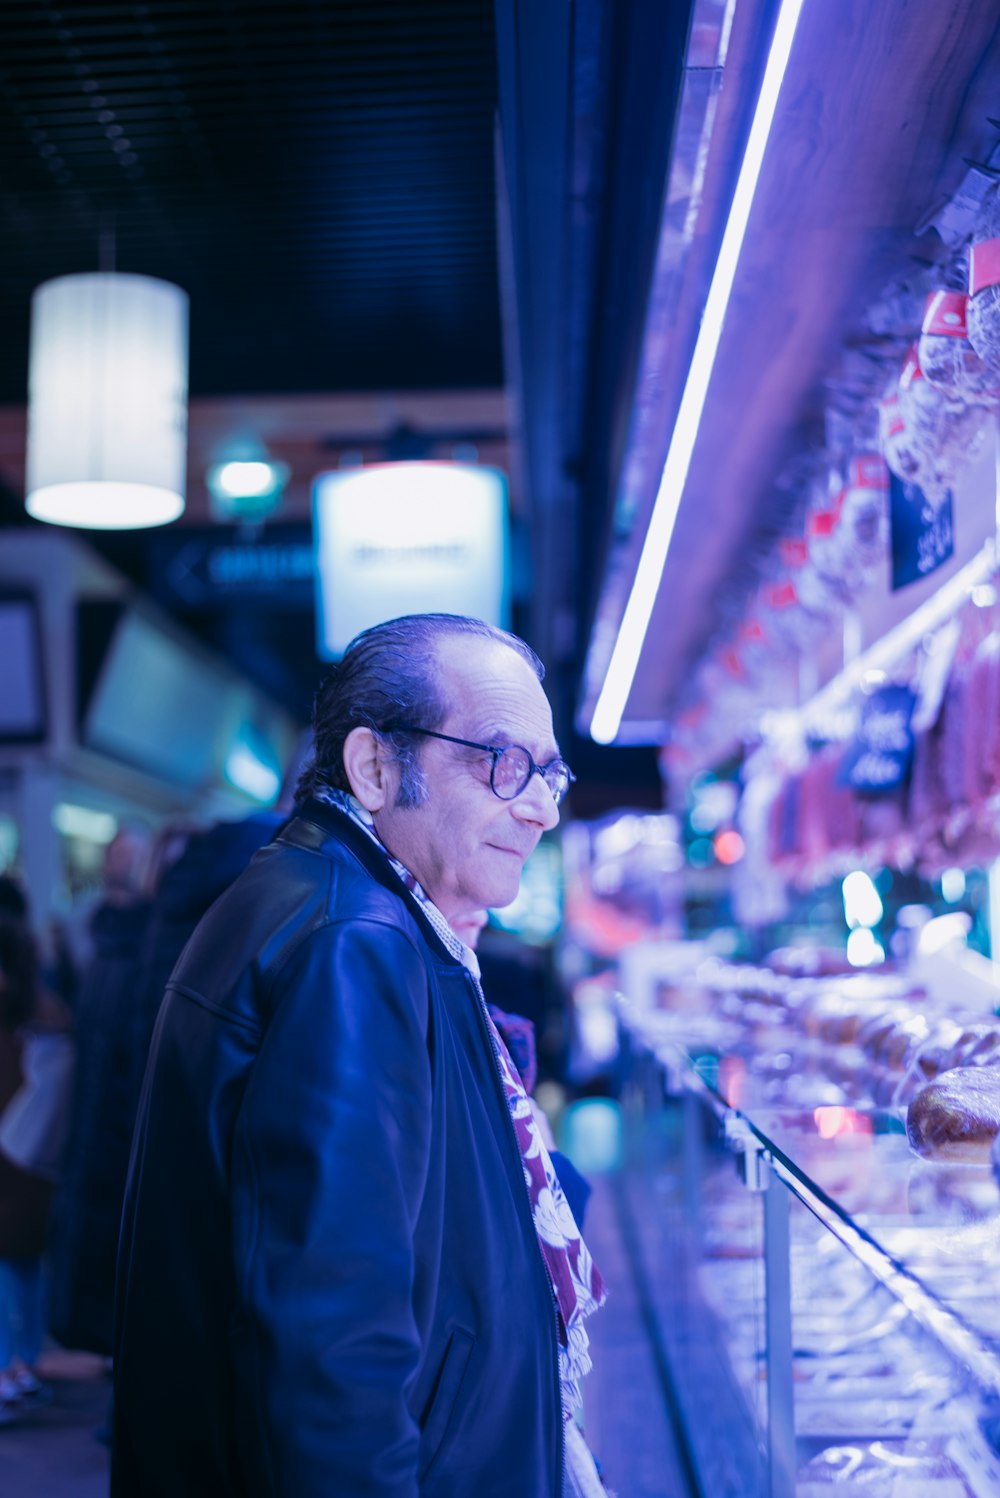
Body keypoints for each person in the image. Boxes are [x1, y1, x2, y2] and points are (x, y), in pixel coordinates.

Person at [112, 613, 607, 1498]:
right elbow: (333, 1335)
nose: (539, 806)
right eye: (503, 764)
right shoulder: (354, 941)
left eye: (550, 772)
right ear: (376, 768)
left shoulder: (365, 909)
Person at [0, 899, 74, 1419]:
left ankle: (8, 1367)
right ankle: (23, 1363)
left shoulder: (24, 1024)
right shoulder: (50, 1011)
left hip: (13, 1153)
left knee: (7, 1259)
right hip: (36, 1157)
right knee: (24, 1259)